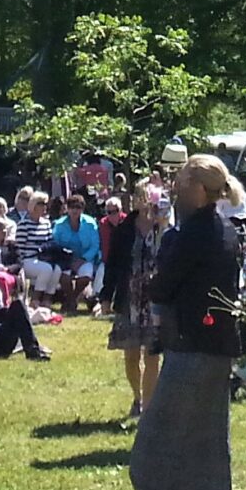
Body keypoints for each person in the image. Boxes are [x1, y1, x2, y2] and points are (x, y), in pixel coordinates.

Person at [130, 153, 243, 490]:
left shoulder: (193, 233)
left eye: (179, 182)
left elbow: (162, 286)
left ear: (198, 189)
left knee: (157, 444)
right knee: (208, 443)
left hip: (192, 347)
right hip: (217, 347)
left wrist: (163, 239)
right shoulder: (226, 229)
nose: (174, 189)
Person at [104, 179, 165, 422]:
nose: (145, 202)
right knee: (131, 354)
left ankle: (149, 408)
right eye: (140, 197)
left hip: (155, 297)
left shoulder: (163, 227)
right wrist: (106, 296)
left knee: (152, 352)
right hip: (129, 296)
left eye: (148, 197)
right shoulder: (125, 228)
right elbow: (113, 264)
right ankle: (137, 397)